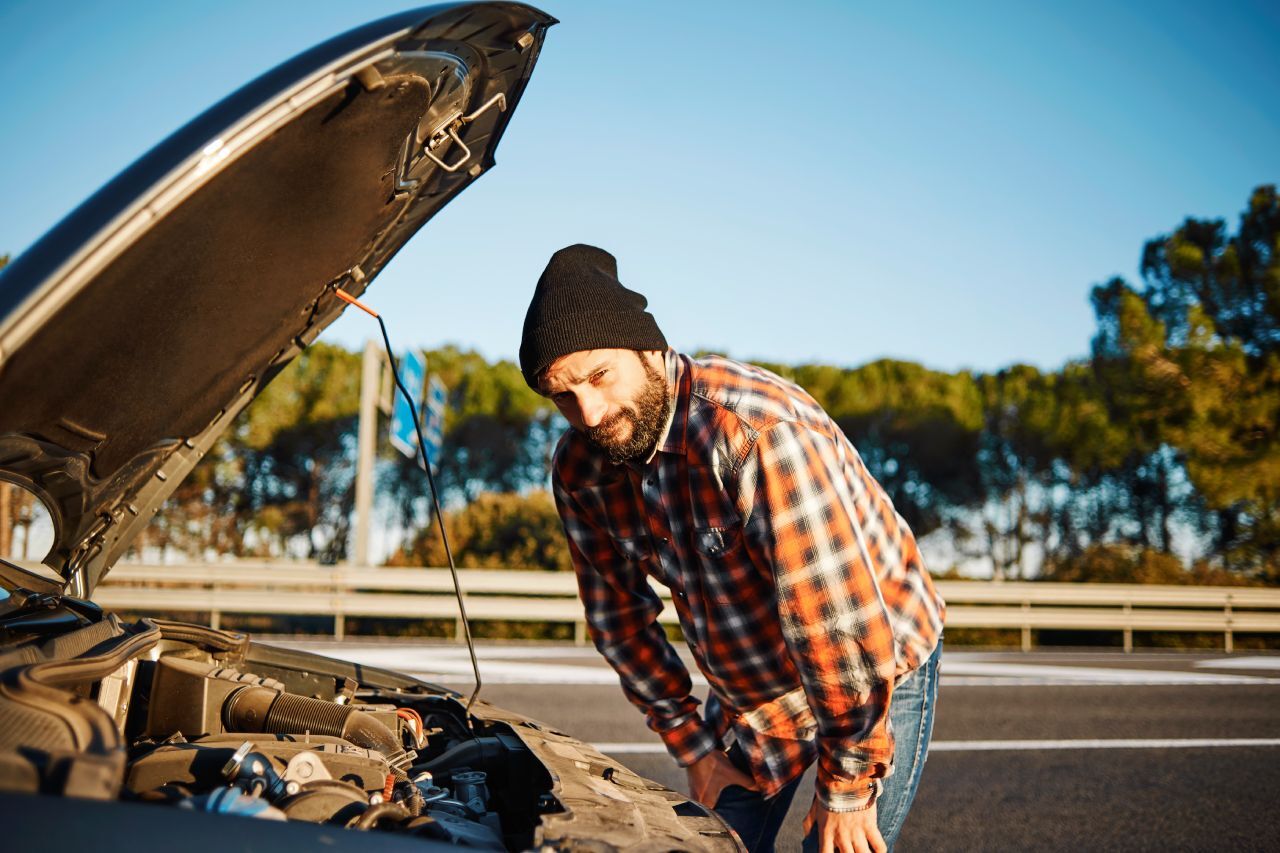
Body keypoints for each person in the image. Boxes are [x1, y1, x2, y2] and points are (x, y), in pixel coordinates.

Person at [520, 244, 945, 853]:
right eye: (563, 396)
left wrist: (848, 786)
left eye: (598, 377)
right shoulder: (581, 469)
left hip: (872, 661)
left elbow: (835, 627)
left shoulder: (757, 435)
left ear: (648, 351)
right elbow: (619, 622)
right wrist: (691, 745)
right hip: (754, 694)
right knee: (713, 845)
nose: (588, 412)